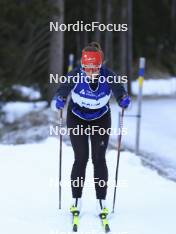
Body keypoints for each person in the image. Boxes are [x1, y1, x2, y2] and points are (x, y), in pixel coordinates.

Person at [52, 42, 130, 217]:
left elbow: (119, 89)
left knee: (99, 158)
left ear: (100, 65)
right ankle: (76, 200)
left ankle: (101, 200)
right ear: (83, 65)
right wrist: (60, 98)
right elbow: (63, 88)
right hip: (76, 118)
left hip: (101, 119)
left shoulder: (108, 75)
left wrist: (123, 99)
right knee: (81, 158)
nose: (90, 72)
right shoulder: (76, 74)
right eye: (87, 68)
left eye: (94, 68)